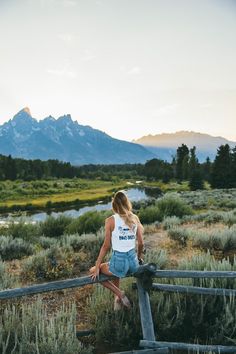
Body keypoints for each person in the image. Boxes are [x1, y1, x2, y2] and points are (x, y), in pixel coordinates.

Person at [89, 190, 144, 310]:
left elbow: (106, 246)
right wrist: (139, 258)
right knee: (114, 270)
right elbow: (141, 243)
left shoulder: (110, 220)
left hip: (119, 264)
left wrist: (97, 265)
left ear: (114, 204)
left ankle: (120, 294)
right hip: (133, 265)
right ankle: (117, 301)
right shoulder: (135, 218)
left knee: (93, 271)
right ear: (127, 203)